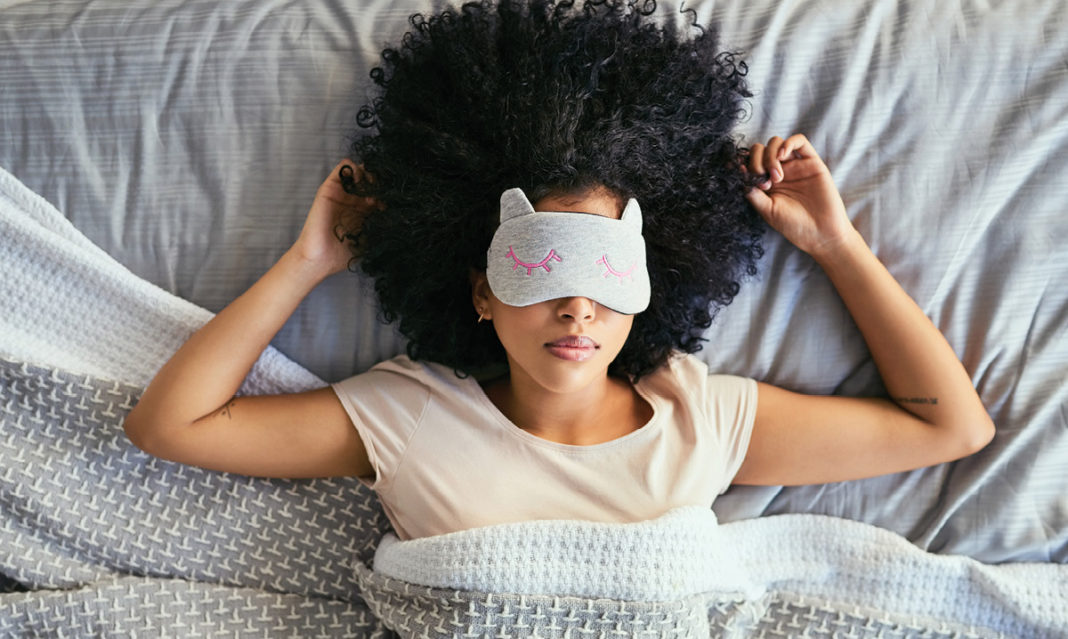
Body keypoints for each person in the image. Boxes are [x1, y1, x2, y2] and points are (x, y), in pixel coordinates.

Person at [123, 0, 993, 541]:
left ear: (654, 279)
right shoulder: (407, 415)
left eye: (605, 272)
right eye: (540, 268)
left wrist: (835, 246)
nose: (577, 306)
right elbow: (172, 425)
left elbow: (949, 426)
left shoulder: (705, 418)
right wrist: (310, 261)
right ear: (480, 291)